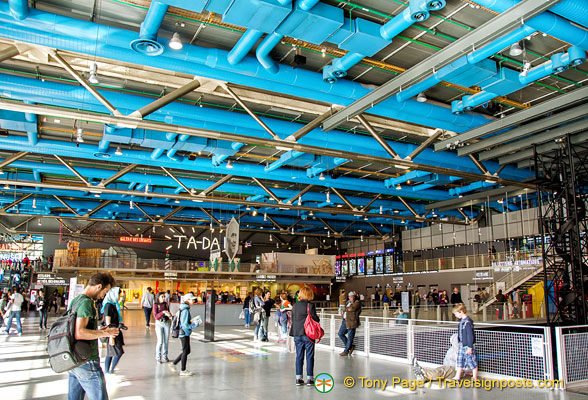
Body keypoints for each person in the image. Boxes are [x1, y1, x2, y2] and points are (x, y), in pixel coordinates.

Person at [68, 273, 119, 400]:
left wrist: (98, 330)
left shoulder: (76, 300)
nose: (104, 295)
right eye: (105, 291)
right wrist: (106, 333)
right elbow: (79, 333)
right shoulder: (86, 303)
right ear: (99, 286)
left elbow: (79, 328)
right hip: (87, 361)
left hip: (75, 360)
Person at [290, 287, 319, 386]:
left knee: (299, 356)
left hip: (297, 334)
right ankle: (310, 379)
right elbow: (315, 319)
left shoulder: (295, 306)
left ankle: (298, 378)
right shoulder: (310, 306)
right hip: (308, 334)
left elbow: (293, 319)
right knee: (309, 356)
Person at [170, 293, 199, 376]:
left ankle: (174, 363)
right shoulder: (185, 310)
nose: (193, 301)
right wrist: (194, 324)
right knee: (185, 350)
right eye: (192, 299)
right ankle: (183, 370)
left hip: (184, 333)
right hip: (184, 333)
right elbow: (184, 324)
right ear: (187, 300)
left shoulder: (184, 308)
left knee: (187, 350)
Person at [101, 287, 125, 374]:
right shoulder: (108, 306)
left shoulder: (114, 305)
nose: (119, 297)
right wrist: (111, 336)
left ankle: (108, 370)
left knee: (111, 352)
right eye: (118, 295)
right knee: (118, 352)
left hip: (115, 331)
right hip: (112, 332)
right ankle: (110, 370)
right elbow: (108, 323)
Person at [452, 303, 478, 381]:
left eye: (456, 313)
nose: (456, 315)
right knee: (460, 360)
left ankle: (475, 378)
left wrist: (470, 347)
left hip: (467, 346)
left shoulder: (468, 322)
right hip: (462, 344)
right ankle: (457, 377)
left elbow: (470, 335)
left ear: (461, 311)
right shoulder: (462, 322)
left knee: (472, 361)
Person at [338, 291, 361, 356]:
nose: (352, 298)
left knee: (350, 336)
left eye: (353, 296)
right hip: (345, 321)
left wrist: (345, 309)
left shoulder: (357, 303)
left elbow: (351, 308)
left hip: (352, 322)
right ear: (349, 297)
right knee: (340, 333)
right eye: (350, 297)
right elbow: (348, 309)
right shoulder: (348, 303)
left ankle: (346, 351)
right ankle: (350, 347)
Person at [153, 292, 172, 363]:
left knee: (166, 341)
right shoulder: (155, 305)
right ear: (158, 297)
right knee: (160, 341)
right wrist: (163, 312)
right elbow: (156, 316)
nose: (163, 298)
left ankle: (165, 356)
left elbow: (169, 313)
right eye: (162, 297)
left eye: (164, 296)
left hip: (166, 323)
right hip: (159, 324)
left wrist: (169, 315)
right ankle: (158, 357)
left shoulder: (166, 304)